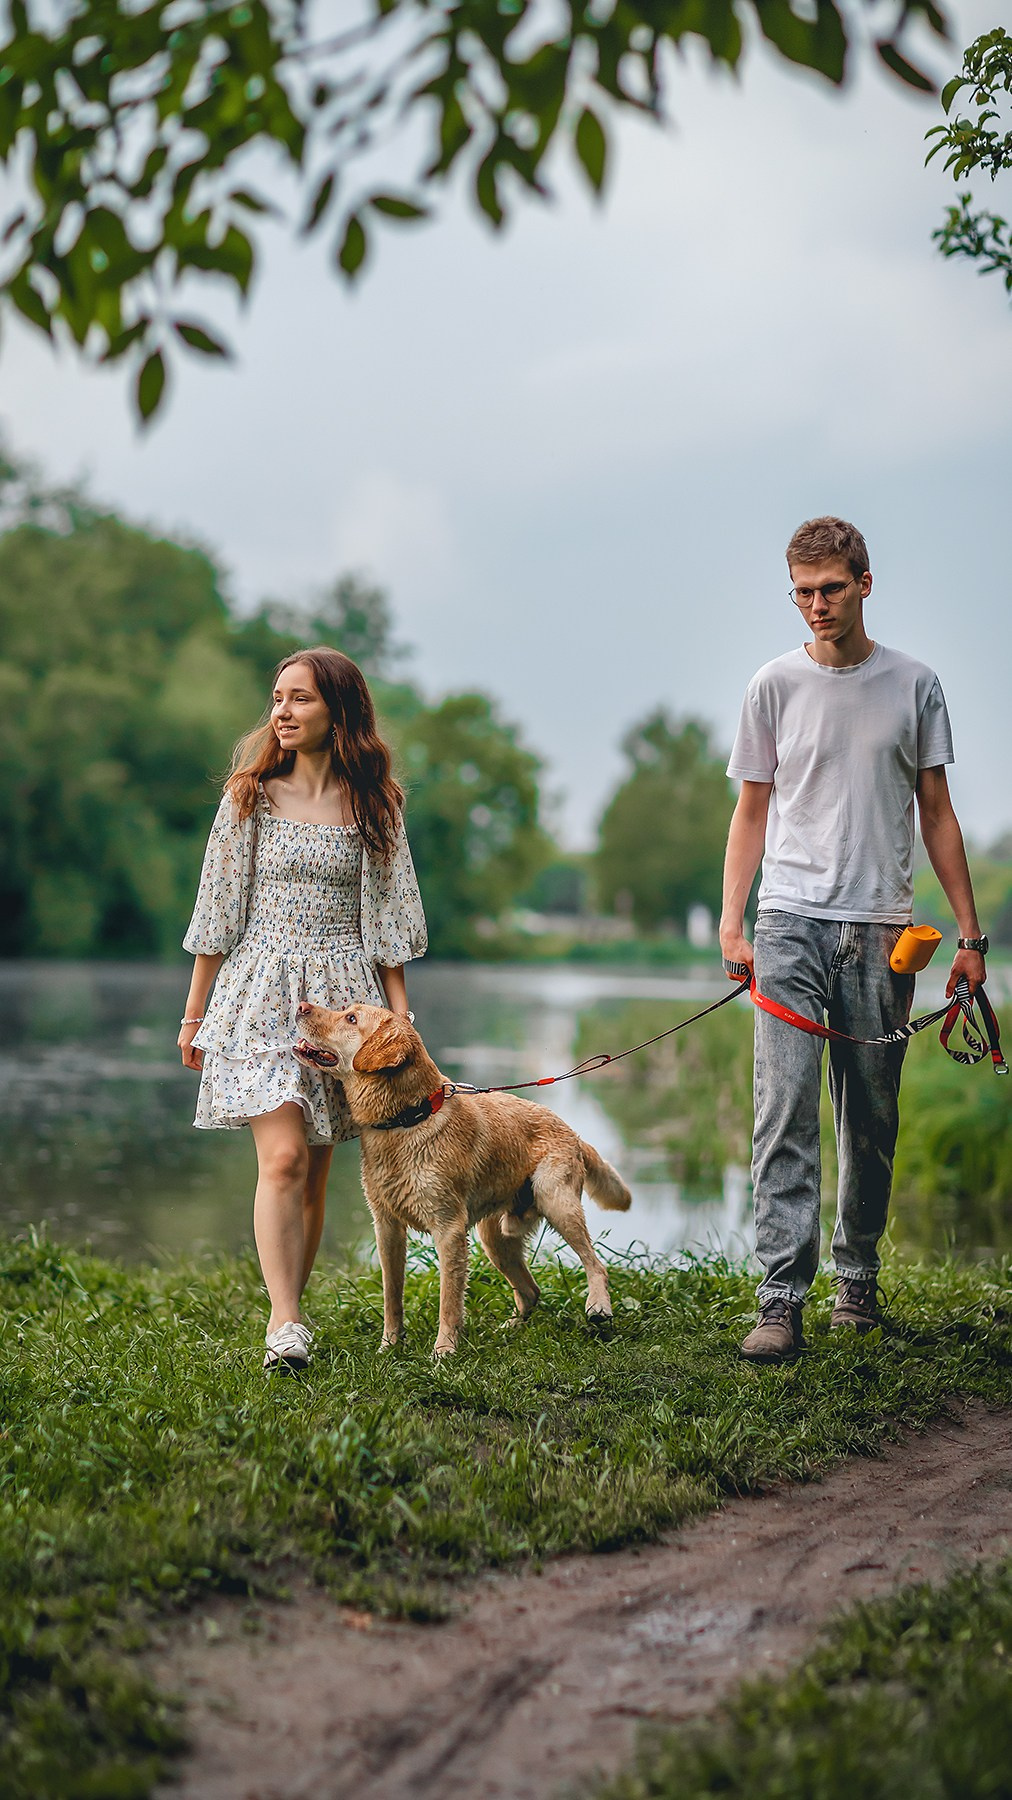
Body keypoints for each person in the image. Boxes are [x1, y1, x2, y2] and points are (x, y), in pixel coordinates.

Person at [719, 517, 987, 1364]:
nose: (815, 606)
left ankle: (857, 1284)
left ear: (865, 583)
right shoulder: (772, 685)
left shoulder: (915, 684)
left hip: (881, 928)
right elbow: (751, 810)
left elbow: (937, 814)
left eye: (830, 588)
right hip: (788, 922)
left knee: (869, 1118)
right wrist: (733, 919)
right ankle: (779, 1300)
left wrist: (971, 936)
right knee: (783, 1111)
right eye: (801, 592)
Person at [178, 647, 427, 1373]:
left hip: (341, 1004)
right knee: (282, 1158)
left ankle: (293, 1302)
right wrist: (193, 1016)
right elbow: (217, 913)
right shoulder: (249, 796)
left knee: (315, 1169)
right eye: (277, 698)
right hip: (258, 992)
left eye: (300, 700)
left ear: (338, 711)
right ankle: (284, 1323)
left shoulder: (375, 804)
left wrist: (399, 1022)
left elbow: (390, 924)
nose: (281, 713)